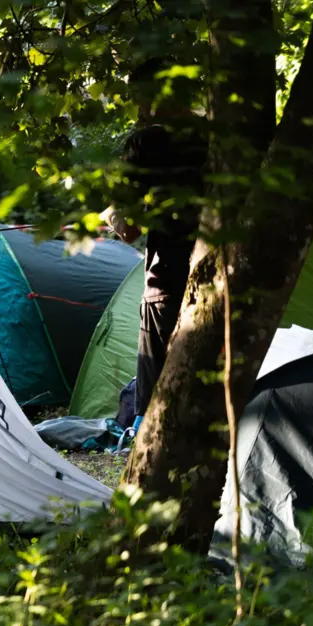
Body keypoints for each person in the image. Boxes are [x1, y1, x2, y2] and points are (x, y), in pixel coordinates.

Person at [100, 59, 207, 429]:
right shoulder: (216, 137)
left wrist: (110, 214)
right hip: (221, 277)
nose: (137, 109)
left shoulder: (147, 142)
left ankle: (148, 443)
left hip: (168, 281)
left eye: (137, 98)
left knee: (158, 395)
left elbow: (128, 229)